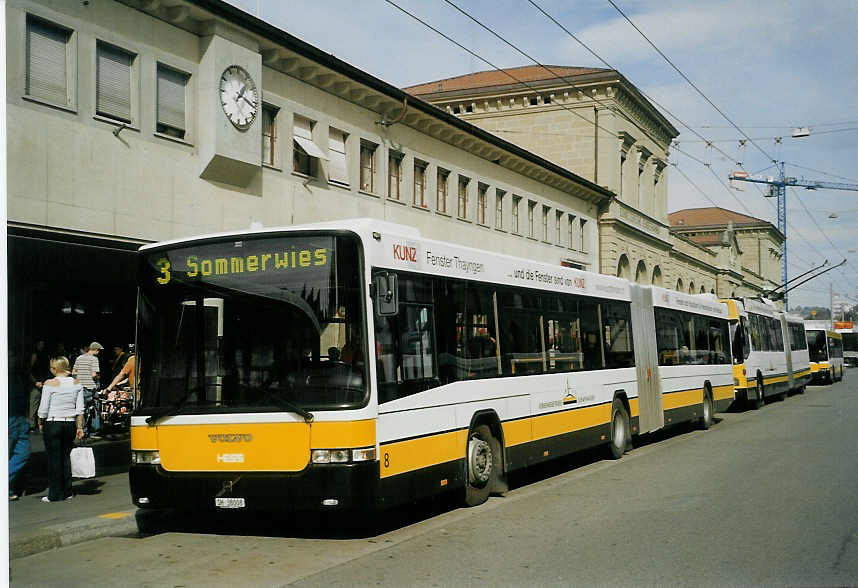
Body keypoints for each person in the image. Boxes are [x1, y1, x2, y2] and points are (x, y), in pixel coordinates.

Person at [37, 357, 84, 502]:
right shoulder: (77, 383)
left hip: (53, 422)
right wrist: (79, 426)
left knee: (54, 459)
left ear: (54, 369)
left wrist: (39, 421)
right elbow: (80, 408)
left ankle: (55, 494)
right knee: (65, 457)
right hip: (69, 423)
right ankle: (67, 491)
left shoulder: (50, 383)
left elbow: (43, 408)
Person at [9, 348, 31, 500]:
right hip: (9, 417)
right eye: (10, 356)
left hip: (19, 418)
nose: (13, 360)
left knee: (23, 452)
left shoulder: (18, 376)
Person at [73, 342, 103, 435]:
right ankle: (94, 431)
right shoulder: (94, 359)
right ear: (96, 349)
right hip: (90, 387)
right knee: (95, 407)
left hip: (80, 387)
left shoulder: (79, 358)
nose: (99, 352)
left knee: (81, 409)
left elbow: (73, 372)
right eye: (99, 350)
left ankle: (82, 430)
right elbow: (94, 374)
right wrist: (98, 378)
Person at [28, 340, 50, 431]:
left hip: (44, 382)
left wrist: (45, 381)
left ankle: (40, 425)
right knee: (34, 405)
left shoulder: (45, 356)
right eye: (40, 344)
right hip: (36, 383)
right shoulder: (34, 355)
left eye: (43, 344)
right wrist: (35, 382)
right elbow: (29, 370)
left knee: (43, 405)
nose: (41, 346)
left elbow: (47, 370)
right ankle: (32, 425)